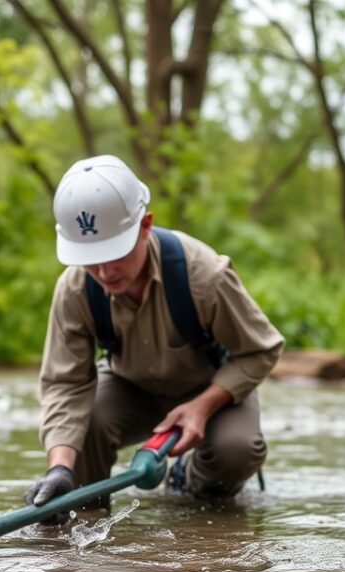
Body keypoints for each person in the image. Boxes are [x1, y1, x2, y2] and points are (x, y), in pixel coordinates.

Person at [25, 154, 284, 520]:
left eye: (115, 252)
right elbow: (64, 385)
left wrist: (203, 405)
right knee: (81, 430)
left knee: (236, 450)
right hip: (129, 387)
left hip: (209, 387)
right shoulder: (74, 289)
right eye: (90, 257)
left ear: (145, 226)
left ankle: (189, 483)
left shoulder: (203, 274)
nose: (104, 271)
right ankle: (86, 522)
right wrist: (60, 469)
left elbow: (262, 350)